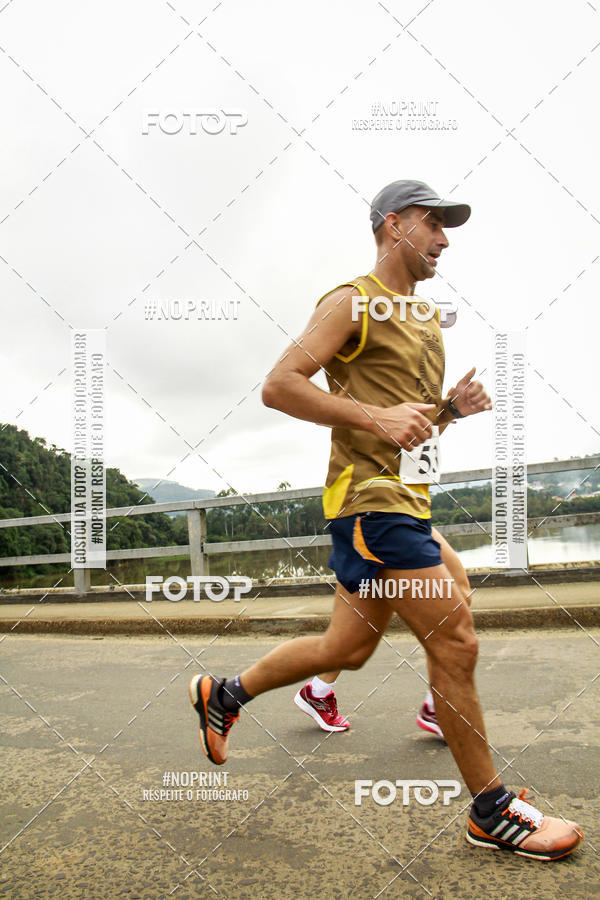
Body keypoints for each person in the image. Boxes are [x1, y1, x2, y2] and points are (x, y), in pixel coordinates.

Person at [189, 180, 583, 860]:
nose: (445, 239)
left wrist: (449, 411)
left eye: (447, 227)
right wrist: (375, 416)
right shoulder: (351, 301)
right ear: (393, 225)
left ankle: (223, 694)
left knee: (348, 650)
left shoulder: (424, 321)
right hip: (371, 504)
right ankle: (490, 810)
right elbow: (279, 385)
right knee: (455, 642)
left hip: (406, 504)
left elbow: (410, 426)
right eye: (434, 224)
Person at [294, 524, 471, 737]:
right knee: (355, 636)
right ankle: (437, 707)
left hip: (407, 514)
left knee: (457, 597)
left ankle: (317, 691)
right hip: (383, 518)